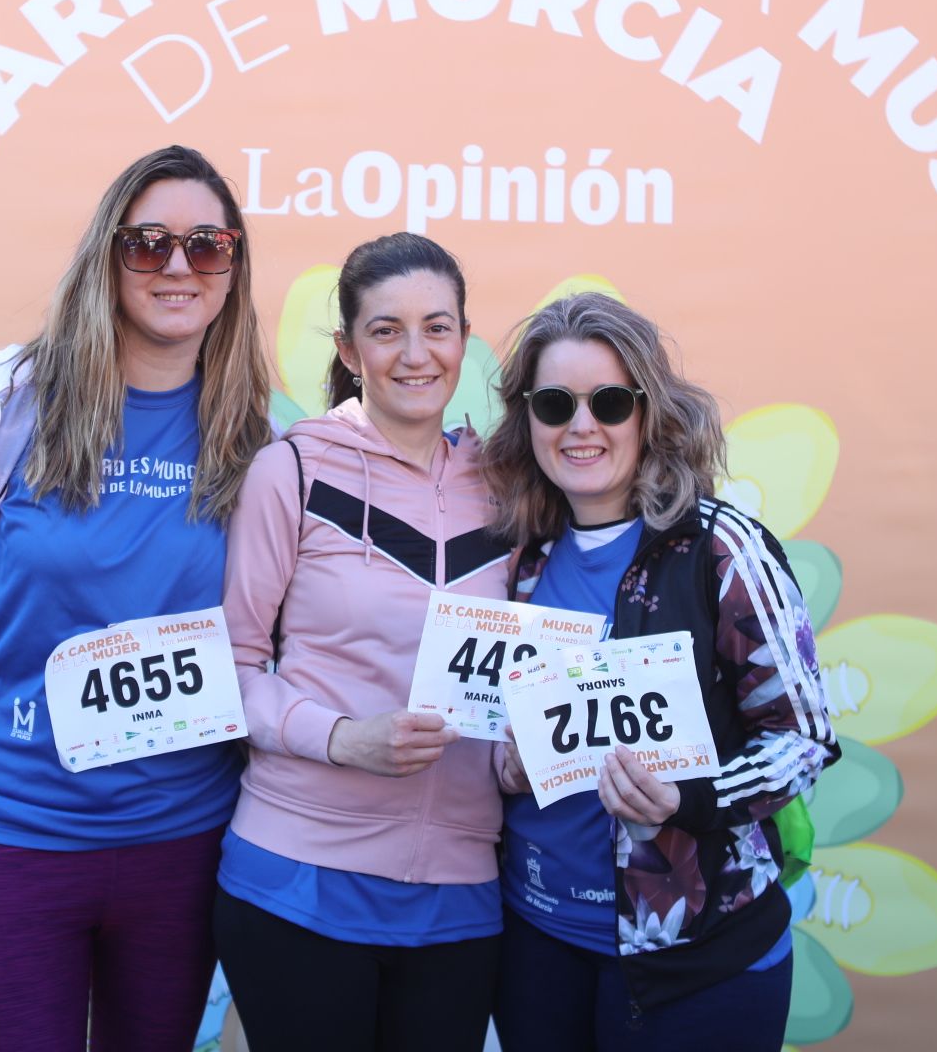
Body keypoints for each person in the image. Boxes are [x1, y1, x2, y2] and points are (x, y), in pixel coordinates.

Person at [0, 145, 273, 1052]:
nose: (178, 266)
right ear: (108, 255)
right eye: (150, 243)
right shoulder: (12, 401)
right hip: (7, 834)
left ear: (234, 266)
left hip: (185, 844)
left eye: (207, 246)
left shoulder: (265, 438)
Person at [481, 292, 838, 1052]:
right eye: (555, 404)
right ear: (528, 420)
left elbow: (802, 737)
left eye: (609, 402)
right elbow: (499, 720)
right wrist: (504, 762)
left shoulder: (722, 550)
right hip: (536, 945)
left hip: (697, 964)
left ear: (649, 412)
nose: (582, 426)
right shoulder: (518, 556)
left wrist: (688, 797)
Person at [215, 232, 511, 1052]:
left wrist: (526, 753)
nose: (415, 354)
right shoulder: (293, 471)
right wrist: (345, 739)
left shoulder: (512, 487)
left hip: (460, 892)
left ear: (464, 339)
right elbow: (230, 667)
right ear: (348, 349)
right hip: (297, 878)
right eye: (385, 331)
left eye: (437, 327)